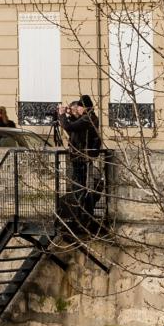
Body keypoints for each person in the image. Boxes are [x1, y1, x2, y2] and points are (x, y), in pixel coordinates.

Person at [57, 98, 104, 230]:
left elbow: (69, 127)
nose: (76, 109)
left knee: (79, 187)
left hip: (81, 158)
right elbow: (73, 131)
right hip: (80, 157)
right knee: (80, 187)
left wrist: (61, 115)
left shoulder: (87, 119)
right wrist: (69, 116)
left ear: (85, 107)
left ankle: (83, 215)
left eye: (79, 107)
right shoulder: (87, 118)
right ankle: (83, 214)